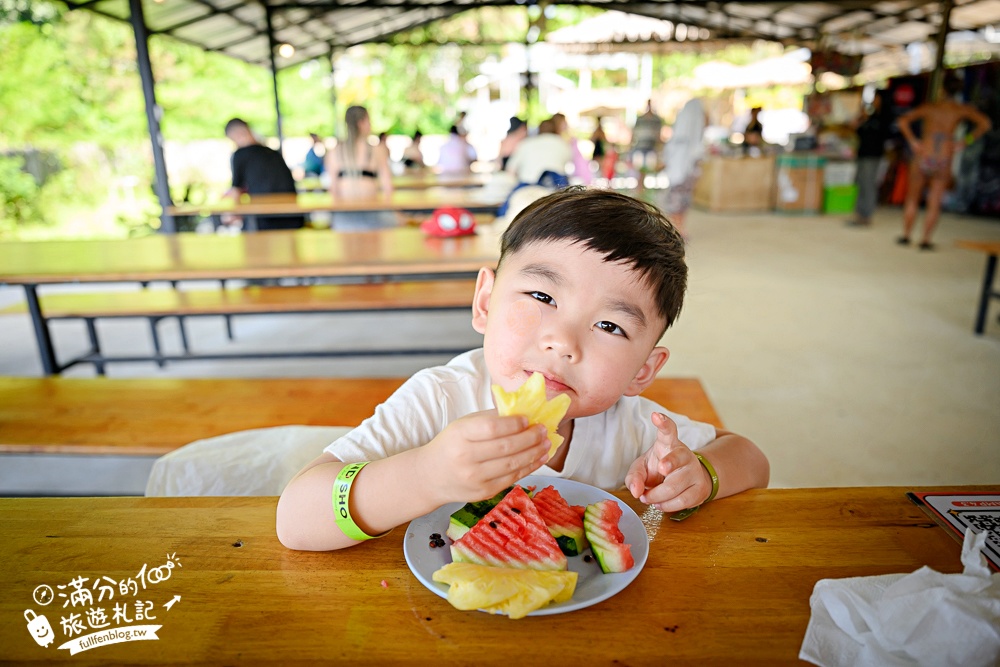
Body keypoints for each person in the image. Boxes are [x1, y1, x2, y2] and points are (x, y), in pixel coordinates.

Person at [276, 187, 770, 551]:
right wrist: (424, 476)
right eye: (541, 296)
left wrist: (701, 474)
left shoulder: (633, 424)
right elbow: (296, 518)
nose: (563, 341)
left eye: (610, 325)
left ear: (644, 369)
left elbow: (748, 457)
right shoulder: (439, 400)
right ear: (486, 302)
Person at [896, 76, 992, 250]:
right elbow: (985, 123)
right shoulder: (960, 110)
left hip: (924, 153)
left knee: (912, 198)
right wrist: (965, 141)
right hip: (944, 156)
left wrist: (913, 141)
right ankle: (925, 240)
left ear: (942, 89)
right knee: (935, 200)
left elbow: (903, 121)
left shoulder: (930, 107)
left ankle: (906, 235)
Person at [223, 118, 305, 231]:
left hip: (265, 220)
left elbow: (235, 191)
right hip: (294, 217)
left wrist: (230, 214)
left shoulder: (240, 155)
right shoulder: (273, 153)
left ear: (236, 135)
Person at [325, 105, 395, 230]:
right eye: (369, 120)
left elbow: (333, 188)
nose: (370, 125)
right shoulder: (377, 150)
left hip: (344, 216)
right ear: (361, 122)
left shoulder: (335, 152)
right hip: (372, 214)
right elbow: (387, 186)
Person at [662, 98, 707, 237]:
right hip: (681, 171)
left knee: (682, 199)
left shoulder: (686, 141)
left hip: (684, 171)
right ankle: (676, 227)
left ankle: (679, 227)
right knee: (678, 200)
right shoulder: (682, 141)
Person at [848, 92, 891, 227]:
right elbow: (856, 130)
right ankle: (860, 214)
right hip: (863, 154)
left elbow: (882, 137)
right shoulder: (869, 116)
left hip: (873, 155)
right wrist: (862, 117)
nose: (874, 101)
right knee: (861, 184)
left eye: (876, 99)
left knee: (869, 185)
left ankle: (867, 215)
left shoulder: (884, 118)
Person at [504, 118, 573, 187]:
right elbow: (570, 164)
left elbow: (510, 170)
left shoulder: (526, 143)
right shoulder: (562, 143)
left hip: (528, 186)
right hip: (555, 186)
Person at [630, 101, 664, 171]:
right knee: (639, 170)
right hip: (639, 147)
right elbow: (633, 133)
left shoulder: (657, 120)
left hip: (652, 148)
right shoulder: (640, 119)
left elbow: (659, 135)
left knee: (651, 169)